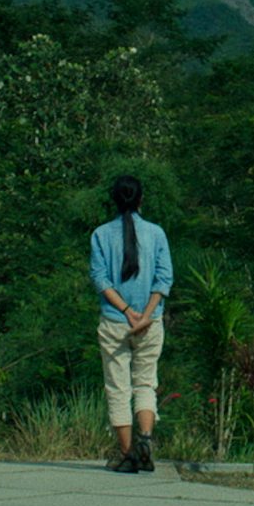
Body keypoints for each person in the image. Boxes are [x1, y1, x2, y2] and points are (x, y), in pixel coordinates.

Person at [90, 174, 172, 473]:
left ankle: (126, 453)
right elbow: (164, 279)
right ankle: (146, 440)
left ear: (114, 199)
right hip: (150, 323)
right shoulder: (157, 233)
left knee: (117, 386)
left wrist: (127, 312)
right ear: (141, 200)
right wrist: (146, 315)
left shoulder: (100, 234)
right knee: (146, 382)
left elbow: (101, 280)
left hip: (115, 321)